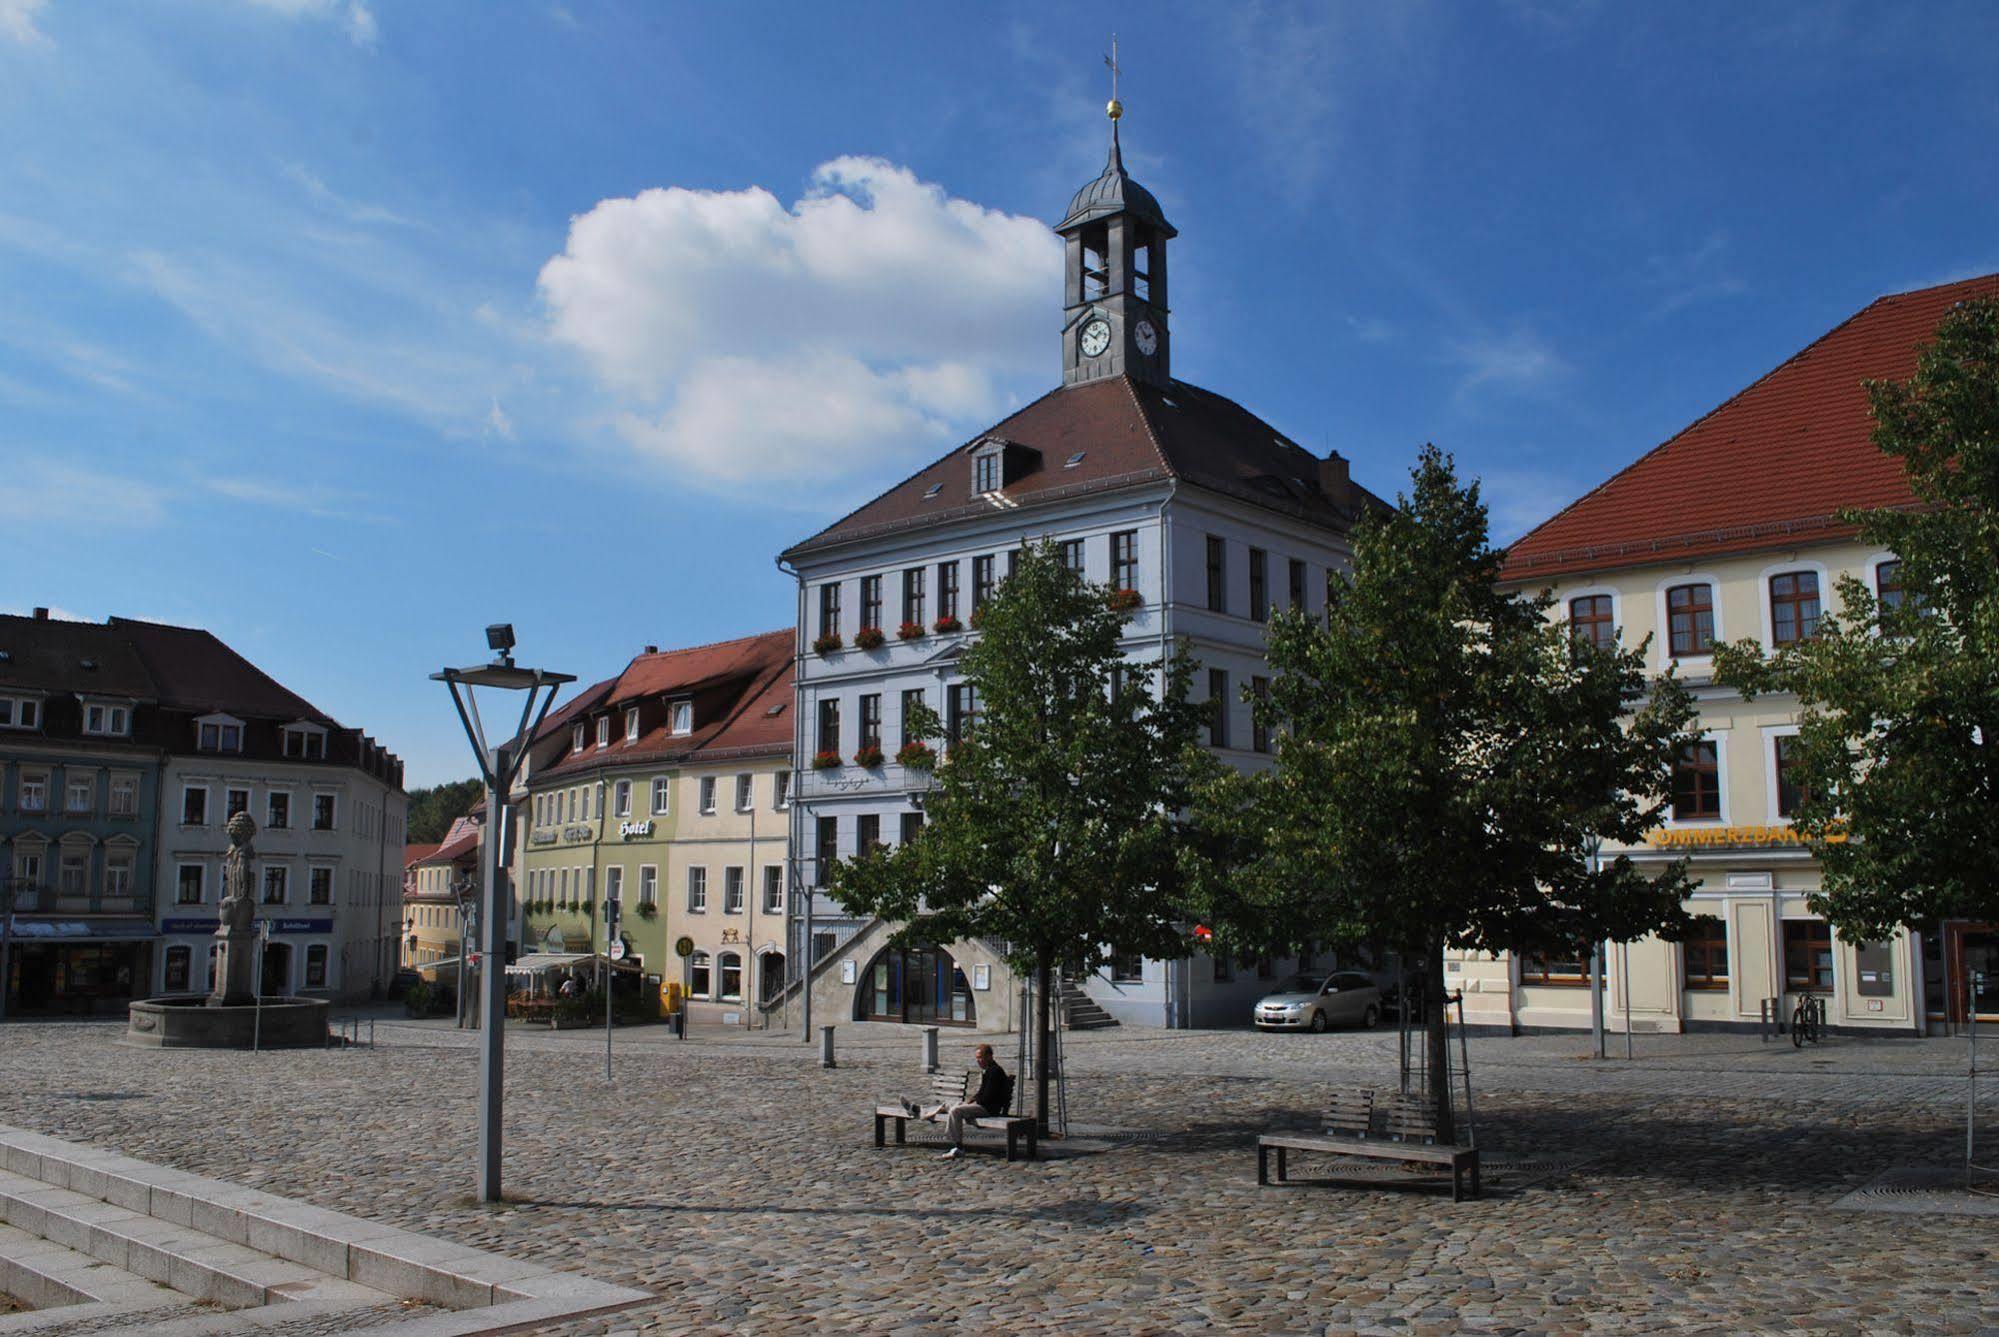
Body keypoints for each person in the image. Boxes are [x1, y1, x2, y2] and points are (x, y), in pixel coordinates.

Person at [934, 1044, 1013, 1160]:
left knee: (955, 1111)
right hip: (981, 1104)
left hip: (987, 1108)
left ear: (990, 1056)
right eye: (977, 1058)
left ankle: (958, 1147)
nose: (978, 1061)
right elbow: (982, 1092)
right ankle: (921, 1111)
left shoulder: (995, 1071)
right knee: (948, 1105)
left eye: (980, 1057)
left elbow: (988, 1097)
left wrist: (971, 1103)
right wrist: (971, 1100)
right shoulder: (988, 1070)